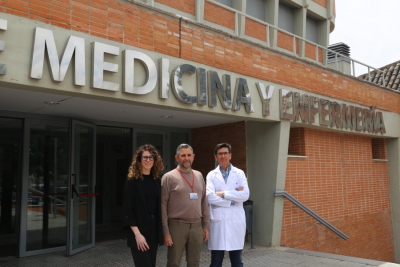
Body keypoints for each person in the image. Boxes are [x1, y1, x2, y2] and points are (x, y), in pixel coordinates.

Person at [161, 144, 210, 267]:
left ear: (193, 157)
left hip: (197, 226)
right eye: (183, 155)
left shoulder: (199, 175)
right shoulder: (168, 177)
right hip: (176, 226)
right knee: (174, 262)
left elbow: (204, 201)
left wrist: (206, 226)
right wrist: (165, 232)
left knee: (194, 262)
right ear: (177, 158)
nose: (186, 158)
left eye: (189, 155)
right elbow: (163, 206)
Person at [206, 143, 250, 267]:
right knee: (215, 262)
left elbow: (245, 195)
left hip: (235, 222)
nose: (223, 156)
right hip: (218, 223)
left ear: (230, 155)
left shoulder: (239, 173)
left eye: (225, 153)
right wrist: (233, 198)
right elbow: (209, 197)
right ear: (216, 157)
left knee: (237, 261)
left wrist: (222, 194)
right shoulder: (211, 175)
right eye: (220, 154)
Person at [123, 144, 164, 267]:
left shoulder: (157, 180)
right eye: (145, 157)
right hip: (139, 229)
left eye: (151, 157)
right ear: (139, 160)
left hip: (154, 229)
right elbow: (127, 210)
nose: (148, 160)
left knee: (151, 263)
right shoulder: (132, 182)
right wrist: (138, 235)